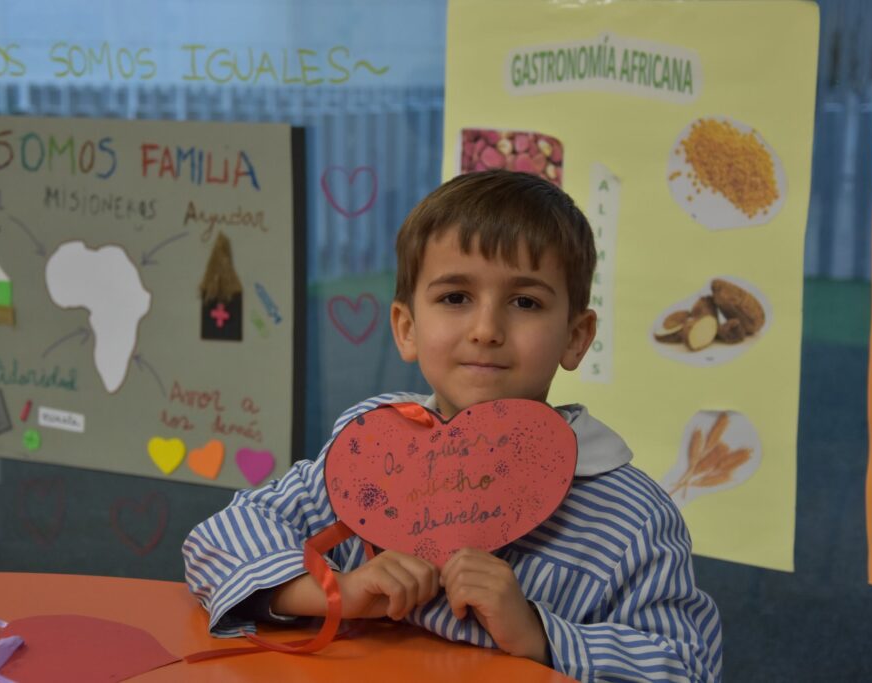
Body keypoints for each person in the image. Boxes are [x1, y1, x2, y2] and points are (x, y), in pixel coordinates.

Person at [183, 170, 723, 681]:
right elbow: (220, 540)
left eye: (525, 301)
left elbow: (686, 666)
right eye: (455, 297)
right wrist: (337, 591)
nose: (486, 329)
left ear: (575, 337)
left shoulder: (631, 517)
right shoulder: (369, 447)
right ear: (407, 327)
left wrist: (538, 634)